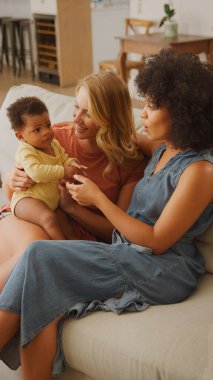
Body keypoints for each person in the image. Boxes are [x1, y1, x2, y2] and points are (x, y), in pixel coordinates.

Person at [0, 49, 212, 380]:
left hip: (163, 268)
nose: (143, 113)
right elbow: (118, 133)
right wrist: (14, 175)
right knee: (43, 280)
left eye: (153, 106)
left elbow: (156, 242)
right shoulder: (161, 148)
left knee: (40, 256)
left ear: (184, 113)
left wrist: (98, 198)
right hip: (127, 254)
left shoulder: (200, 171)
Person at [0, 71, 145, 289]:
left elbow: (116, 232)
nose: (76, 119)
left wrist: (73, 208)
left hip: (73, 237)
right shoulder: (53, 137)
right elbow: (15, 199)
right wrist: (12, 178)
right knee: (32, 250)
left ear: (110, 116)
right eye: (76, 106)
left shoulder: (130, 163)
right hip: (30, 221)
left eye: (88, 113)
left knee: (34, 261)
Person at [7, 96, 83, 240]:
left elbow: (64, 158)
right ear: (20, 136)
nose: (46, 132)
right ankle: (63, 251)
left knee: (65, 223)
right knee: (48, 219)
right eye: (37, 130)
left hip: (51, 203)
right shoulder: (26, 151)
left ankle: (75, 250)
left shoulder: (53, 144)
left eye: (48, 125)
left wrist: (71, 162)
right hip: (26, 201)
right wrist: (64, 171)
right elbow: (36, 173)